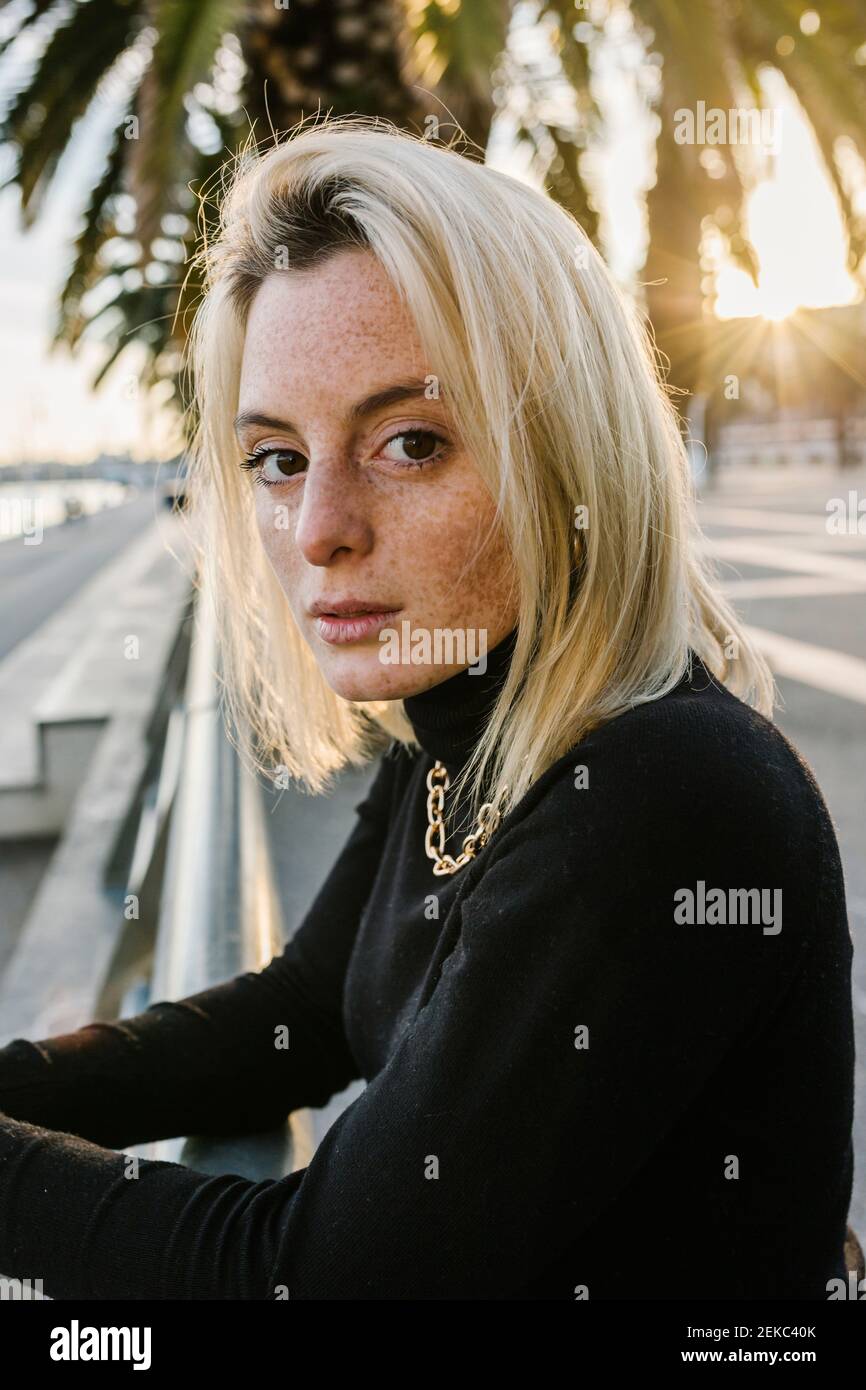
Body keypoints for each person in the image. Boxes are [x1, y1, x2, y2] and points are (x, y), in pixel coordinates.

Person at [0, 116, 857, 1301]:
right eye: (276, 458)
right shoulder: (459, 725)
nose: (317, 531)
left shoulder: (662, 793)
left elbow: (317, 1282)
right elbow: (301, 1012)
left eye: (409, 442)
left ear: (566, 458)